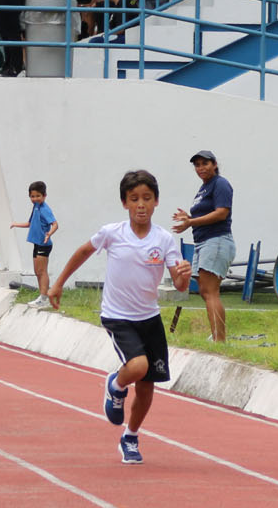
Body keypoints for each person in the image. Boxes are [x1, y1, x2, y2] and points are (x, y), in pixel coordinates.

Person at [48, 169, 192, 465]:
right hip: (118, 316)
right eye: (134, 199)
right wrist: (59, 283)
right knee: (137, 366)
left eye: (147, 198)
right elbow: (83, 252)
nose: (141, 205)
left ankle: (131, 437)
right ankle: (115, 384)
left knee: (147, 386)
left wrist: (183, 275)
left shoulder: (164, 240)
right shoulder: (112, 233)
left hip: (149, 318)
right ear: (125, 203)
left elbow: (179, 284)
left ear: (156, 202)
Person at [172, 150, 235, 343]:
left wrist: (191, 222)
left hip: (216, 240)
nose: (201, 168)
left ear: (214, 164)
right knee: (205, 291)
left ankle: (220, 340)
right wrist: (189, 218)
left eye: (205, 163)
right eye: (197, 165)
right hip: (204, 242)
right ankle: (217, 335)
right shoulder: (204, 188)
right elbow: (205, 215)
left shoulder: (220, 184)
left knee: (211, 291)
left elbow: (221, 213)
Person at [11, 181, 58, 308]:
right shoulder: (36, 207)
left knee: (42, 271)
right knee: (38, 272)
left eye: (38, 196)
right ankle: (42, 297)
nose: (35, 199)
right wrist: (15, 224)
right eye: (32, 196)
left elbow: (55, 224)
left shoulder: (45, 209)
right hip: (37, 244)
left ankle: (45, 298)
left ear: (44, 196)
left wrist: (49, 234)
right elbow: (30, 223)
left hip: (44, 244)